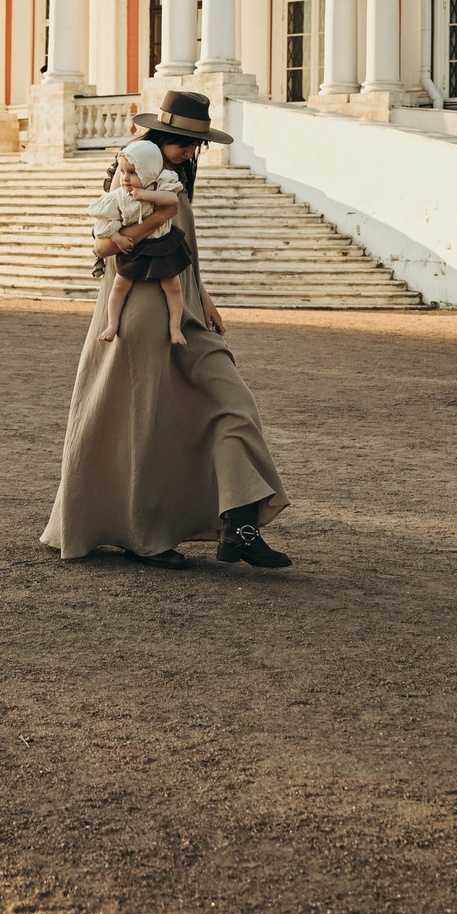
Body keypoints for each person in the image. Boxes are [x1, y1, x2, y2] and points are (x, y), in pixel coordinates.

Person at [41, 89, 292, 570]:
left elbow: (180, 246)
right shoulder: (131, 168)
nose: (189, 150)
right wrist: (155, 216)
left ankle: (238, 527)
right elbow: (102, 247)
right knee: (143, 422)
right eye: (181, 140)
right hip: (137, 310)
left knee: (233, 405)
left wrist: (206, 297)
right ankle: (143, 536)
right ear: (159, 134)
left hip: (186, 308)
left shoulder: (173, 177)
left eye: (195, 143)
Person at [89, 140, 188, 350]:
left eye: (132, 172)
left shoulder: (160, 184)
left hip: (162, 244)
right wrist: (117, 238)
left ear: (148, 171)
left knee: (173, 286)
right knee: (119, 285)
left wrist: (145, 195)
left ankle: (174, 326)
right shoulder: (119, 197)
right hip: (134, 247)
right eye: (123, 171)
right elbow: (103, 226)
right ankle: (112, 324)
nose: (125, 178)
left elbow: (172, 201)